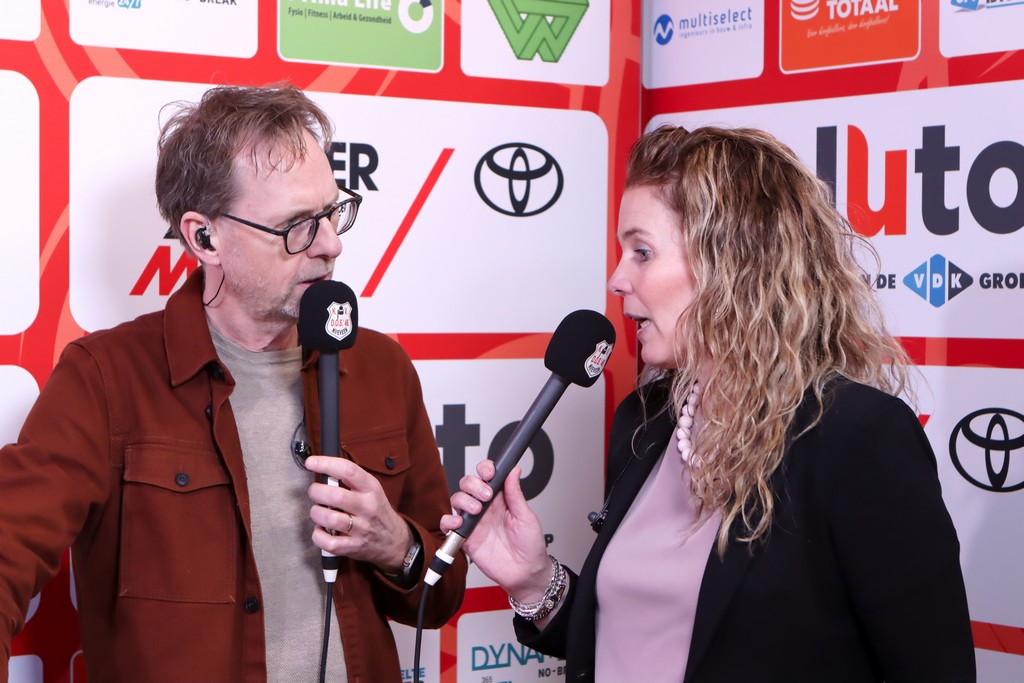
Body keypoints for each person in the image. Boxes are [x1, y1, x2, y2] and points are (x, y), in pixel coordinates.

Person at [444, 125, 976, 683]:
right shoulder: (644, 422)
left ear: (731, 263)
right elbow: (637, 639)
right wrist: (534, 582)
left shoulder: (855, 437)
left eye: (642, 252)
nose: (617, 279)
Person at [0, 84, 466, 683]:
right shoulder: (105, 379)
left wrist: (397, 545)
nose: (331, 245)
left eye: (332, 213)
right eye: (297, 226)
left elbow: (442, 594)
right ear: (204, 237)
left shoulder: (382, 367)